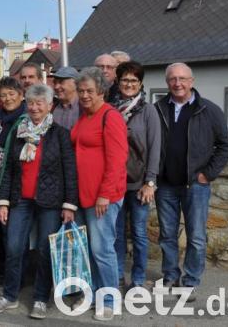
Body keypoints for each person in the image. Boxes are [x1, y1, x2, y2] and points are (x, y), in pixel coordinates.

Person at [0, 84, 78, 319]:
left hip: (50, 200)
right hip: (20, 199)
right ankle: (9, 295)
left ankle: (40, 298)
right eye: (31, 103)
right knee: (14, 247)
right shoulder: (18, 132)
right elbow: (9, 169)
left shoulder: (59, 134)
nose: (35, 107)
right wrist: (3, 201)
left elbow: (70, 170)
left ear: (50, 106)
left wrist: (69, 204)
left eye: (40, 103)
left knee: (45, 250)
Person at [154, 62, 228, 300]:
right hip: (165, 184)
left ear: (192, 81)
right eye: (173, 79)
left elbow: (224, 145)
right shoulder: (157, 108)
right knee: (167, 234)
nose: (178, 83)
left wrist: (207, 174)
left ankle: (190, 280)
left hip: (195, 185)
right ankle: (170, 274)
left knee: (196, 235)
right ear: (167, 82)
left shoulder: (209, 109)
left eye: (182, 79)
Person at [70, 67, 128, 321]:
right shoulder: (84, 116)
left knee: (102, 249)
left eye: (89, 91)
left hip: (103, 197)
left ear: (101, 91)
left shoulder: (110, 116)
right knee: (89, 250)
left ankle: (109, 300)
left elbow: (117, 160)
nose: (84, 95)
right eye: (81, 91)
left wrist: (104, 194)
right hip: (83, 195)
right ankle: (94, 294)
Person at [110, 61, 162, 290]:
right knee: (117, 234)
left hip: (140, 184)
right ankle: (118, 276)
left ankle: (138, 279)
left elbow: (155, 147)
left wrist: (150, 182)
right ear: (118, 82)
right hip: (116, 183)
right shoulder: (110, 109)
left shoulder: (148, 110)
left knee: (139, 234)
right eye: (125, 80)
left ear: (140, 83)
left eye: (133, 80)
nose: (129, 84)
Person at [0, 77, 27, 284]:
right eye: (3, 95)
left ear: (21, 96)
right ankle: (4, 270)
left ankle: (15, 276)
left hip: (17, 184)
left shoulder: (24, 118)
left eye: (11, 94)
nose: (7, 98)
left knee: (14, 234)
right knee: (2, 230)